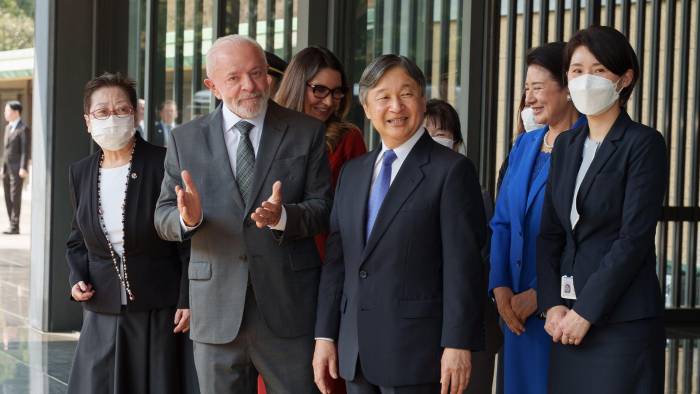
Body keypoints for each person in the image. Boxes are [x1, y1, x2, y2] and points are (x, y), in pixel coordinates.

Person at [154, 35, 331, 393]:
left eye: (257, 73)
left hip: (287, 306)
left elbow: (323, 209)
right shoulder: (185, 139)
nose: (250, 86)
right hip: (215, 308)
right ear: (212, 86)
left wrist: (283, 217)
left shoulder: (305, 132)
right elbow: (163, 216)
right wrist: (188, 220)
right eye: (234, 77)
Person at [313, 54, 486, 394]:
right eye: (383, 96)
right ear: (366, 107)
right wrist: (325, 335)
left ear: (422, 100)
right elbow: (338, 262)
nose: (396, 106)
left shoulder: (450, 170)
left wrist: (458, 344)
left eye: (406, 94)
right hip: (356, 351)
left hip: (417, 355)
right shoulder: (353, 172)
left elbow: (463, 266)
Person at [537, 26, 666, 394]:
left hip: (620, 324)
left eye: (598, 70)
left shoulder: (643, 144)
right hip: (566, 324)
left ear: (625, 78)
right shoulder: (566, 145)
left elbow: (633, 239)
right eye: (576, 71)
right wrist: (553, 305)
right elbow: (550, 233)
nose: (585, 80)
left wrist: (586, 312)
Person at [65, 72, 192, 393]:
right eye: (102, 112)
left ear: (136, 114)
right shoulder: (81, 172)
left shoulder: (163, 164)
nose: (112, 118)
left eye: (121, 110)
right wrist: (76, 277)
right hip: (101, 310)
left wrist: (187, 299)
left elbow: (187, 242)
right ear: (87, 121)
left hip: (158, 311)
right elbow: (77, 239)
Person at [488, 42, 584, 394]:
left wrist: (543, 295)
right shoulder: (525, 145)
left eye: (538, 88)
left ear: (568, 89)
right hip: (514, 312)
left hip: (562, 314)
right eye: (526, 89)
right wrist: (499, 287)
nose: (528, 99)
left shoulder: (591, 145)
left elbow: (590, 236)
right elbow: (501, 222)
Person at [424, 98, 503, 394]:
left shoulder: (476, 195)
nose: (434, 143)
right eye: (426, 134)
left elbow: (478, 263)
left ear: (456, 143)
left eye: (442, 135)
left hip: (471, 328)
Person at [275, 46, 366, 259]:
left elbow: (354, 212)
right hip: (270, 260)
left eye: (336, 92)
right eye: (319, 90)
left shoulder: (347, 139)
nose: (328, 101)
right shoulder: (267, 132)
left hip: (322, 258)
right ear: (296, 86)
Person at [2, 100, 30, 235]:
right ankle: (11, 223)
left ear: (15, 112)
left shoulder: (23, 128)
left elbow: (26, 150)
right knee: (7, 196)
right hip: (7, 169)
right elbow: (6, 150)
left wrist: (24, 167)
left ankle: (15, 226)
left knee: (15, 196)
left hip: (18, 168)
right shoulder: (8, 127)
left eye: (7, 110)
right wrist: (3, 167)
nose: (5, 113)